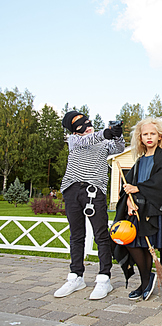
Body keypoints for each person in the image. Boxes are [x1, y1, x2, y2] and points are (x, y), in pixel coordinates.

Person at [55, 111, 125, 300]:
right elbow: (87, 140)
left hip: (95, 191)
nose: (87, 126)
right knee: (76, 235)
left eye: (88, 122)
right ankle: (76, 276)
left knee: (101, 235)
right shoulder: (73, 140)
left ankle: (104, 279)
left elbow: (119, 148)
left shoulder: (103, 143)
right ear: (74, 129)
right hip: (72, 190)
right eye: (81, 125)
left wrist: (117, 134)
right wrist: (104, 133)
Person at [114, 117, 162, 301]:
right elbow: (129, 184)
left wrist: (139, 189)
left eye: (153, 133)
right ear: (140, 138)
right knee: (133, 244)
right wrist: (129, 200)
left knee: (147, 246)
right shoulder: (140, 160)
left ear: (159, 136)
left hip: (154, 211)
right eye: (145, 134)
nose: (149, 137)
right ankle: (147, 279)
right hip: (137, 210)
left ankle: (145, 282)